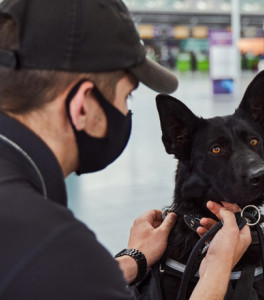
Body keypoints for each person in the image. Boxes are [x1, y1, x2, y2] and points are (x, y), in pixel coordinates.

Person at [0, 0, 251, 299]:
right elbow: (54, 269)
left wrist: (134, 260)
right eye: (126, 97)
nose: (124, 111)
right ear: (82, 105)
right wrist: (219, 266)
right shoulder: (50, 243)